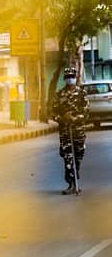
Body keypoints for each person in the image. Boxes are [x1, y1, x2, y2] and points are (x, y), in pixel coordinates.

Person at [52, 67, 89, 195]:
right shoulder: (59, 95)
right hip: (65, 132)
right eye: (67, 77)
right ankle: (71, 184)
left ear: (75, 77)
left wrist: (75, 118)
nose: (70, 79)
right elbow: (53, 113)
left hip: (78, 131)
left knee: (78, 156)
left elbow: (86, 112)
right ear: (64, 78)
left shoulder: (82, 94)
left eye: (72, 76)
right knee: (68, 158)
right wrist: (62, 118)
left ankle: (76, 175)